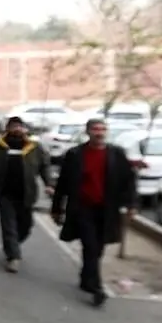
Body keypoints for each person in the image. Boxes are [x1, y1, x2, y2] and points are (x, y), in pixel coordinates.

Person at [50, 118, 137, 307]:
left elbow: (128, 181)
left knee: (97, 248)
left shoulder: (116, 154)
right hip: (82, 208)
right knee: (90, 246)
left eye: (103, 129)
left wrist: (131, 205)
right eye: (96, 129)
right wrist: (57, 208)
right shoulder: (75, 154)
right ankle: (97, 289)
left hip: (106, 209)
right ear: (88, 132)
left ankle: (85, 277)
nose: (99, 133)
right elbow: (63, 183)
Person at [0, 116, 53, 273]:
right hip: (5, 192)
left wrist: (49, 184)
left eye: (19, 126)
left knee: (26, 226)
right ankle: (13, 257)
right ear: (8, 129)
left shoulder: (34, 147)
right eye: (13, 126)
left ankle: (12, 244)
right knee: (8, 225)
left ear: (24, 129)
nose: (17, 129)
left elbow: (44, 166)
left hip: (27, 193)